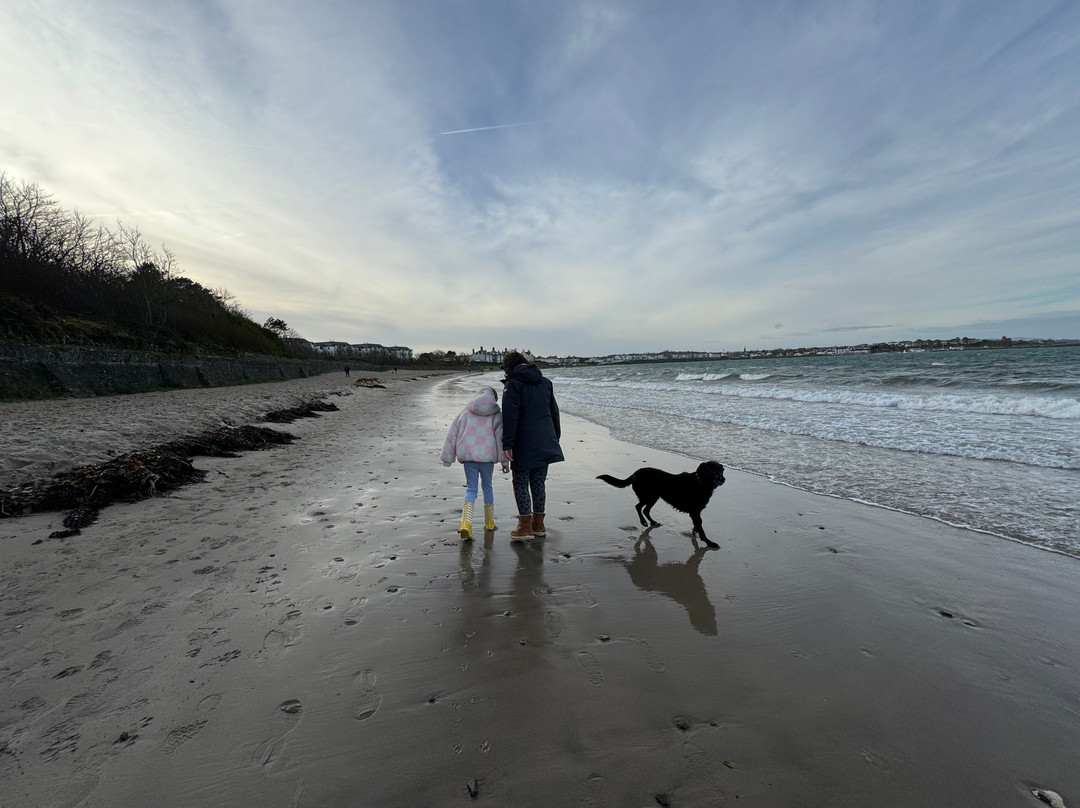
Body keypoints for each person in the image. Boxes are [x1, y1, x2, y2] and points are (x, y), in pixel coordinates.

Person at [500, 351, 563, 540]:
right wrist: (555, 438)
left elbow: (510, 416)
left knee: (520, 482)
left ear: (509, 367)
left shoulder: (513, 385)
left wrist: (507, 443)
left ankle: (525, 526)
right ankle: (539, 525)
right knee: (538, 482)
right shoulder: (545, 383)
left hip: (523, 441)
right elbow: (554, 413)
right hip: (546, 439)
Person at [440, 386, 510, 540]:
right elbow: (501, 439)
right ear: (494, 399)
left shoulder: (465, 412)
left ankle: (466, 523)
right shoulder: (496, 415)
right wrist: (505, 462)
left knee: (471, 489)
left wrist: (447, 457)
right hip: (487, 459)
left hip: (469, 457)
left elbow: (452, 434)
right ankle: (490, 522)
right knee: (487, 487)